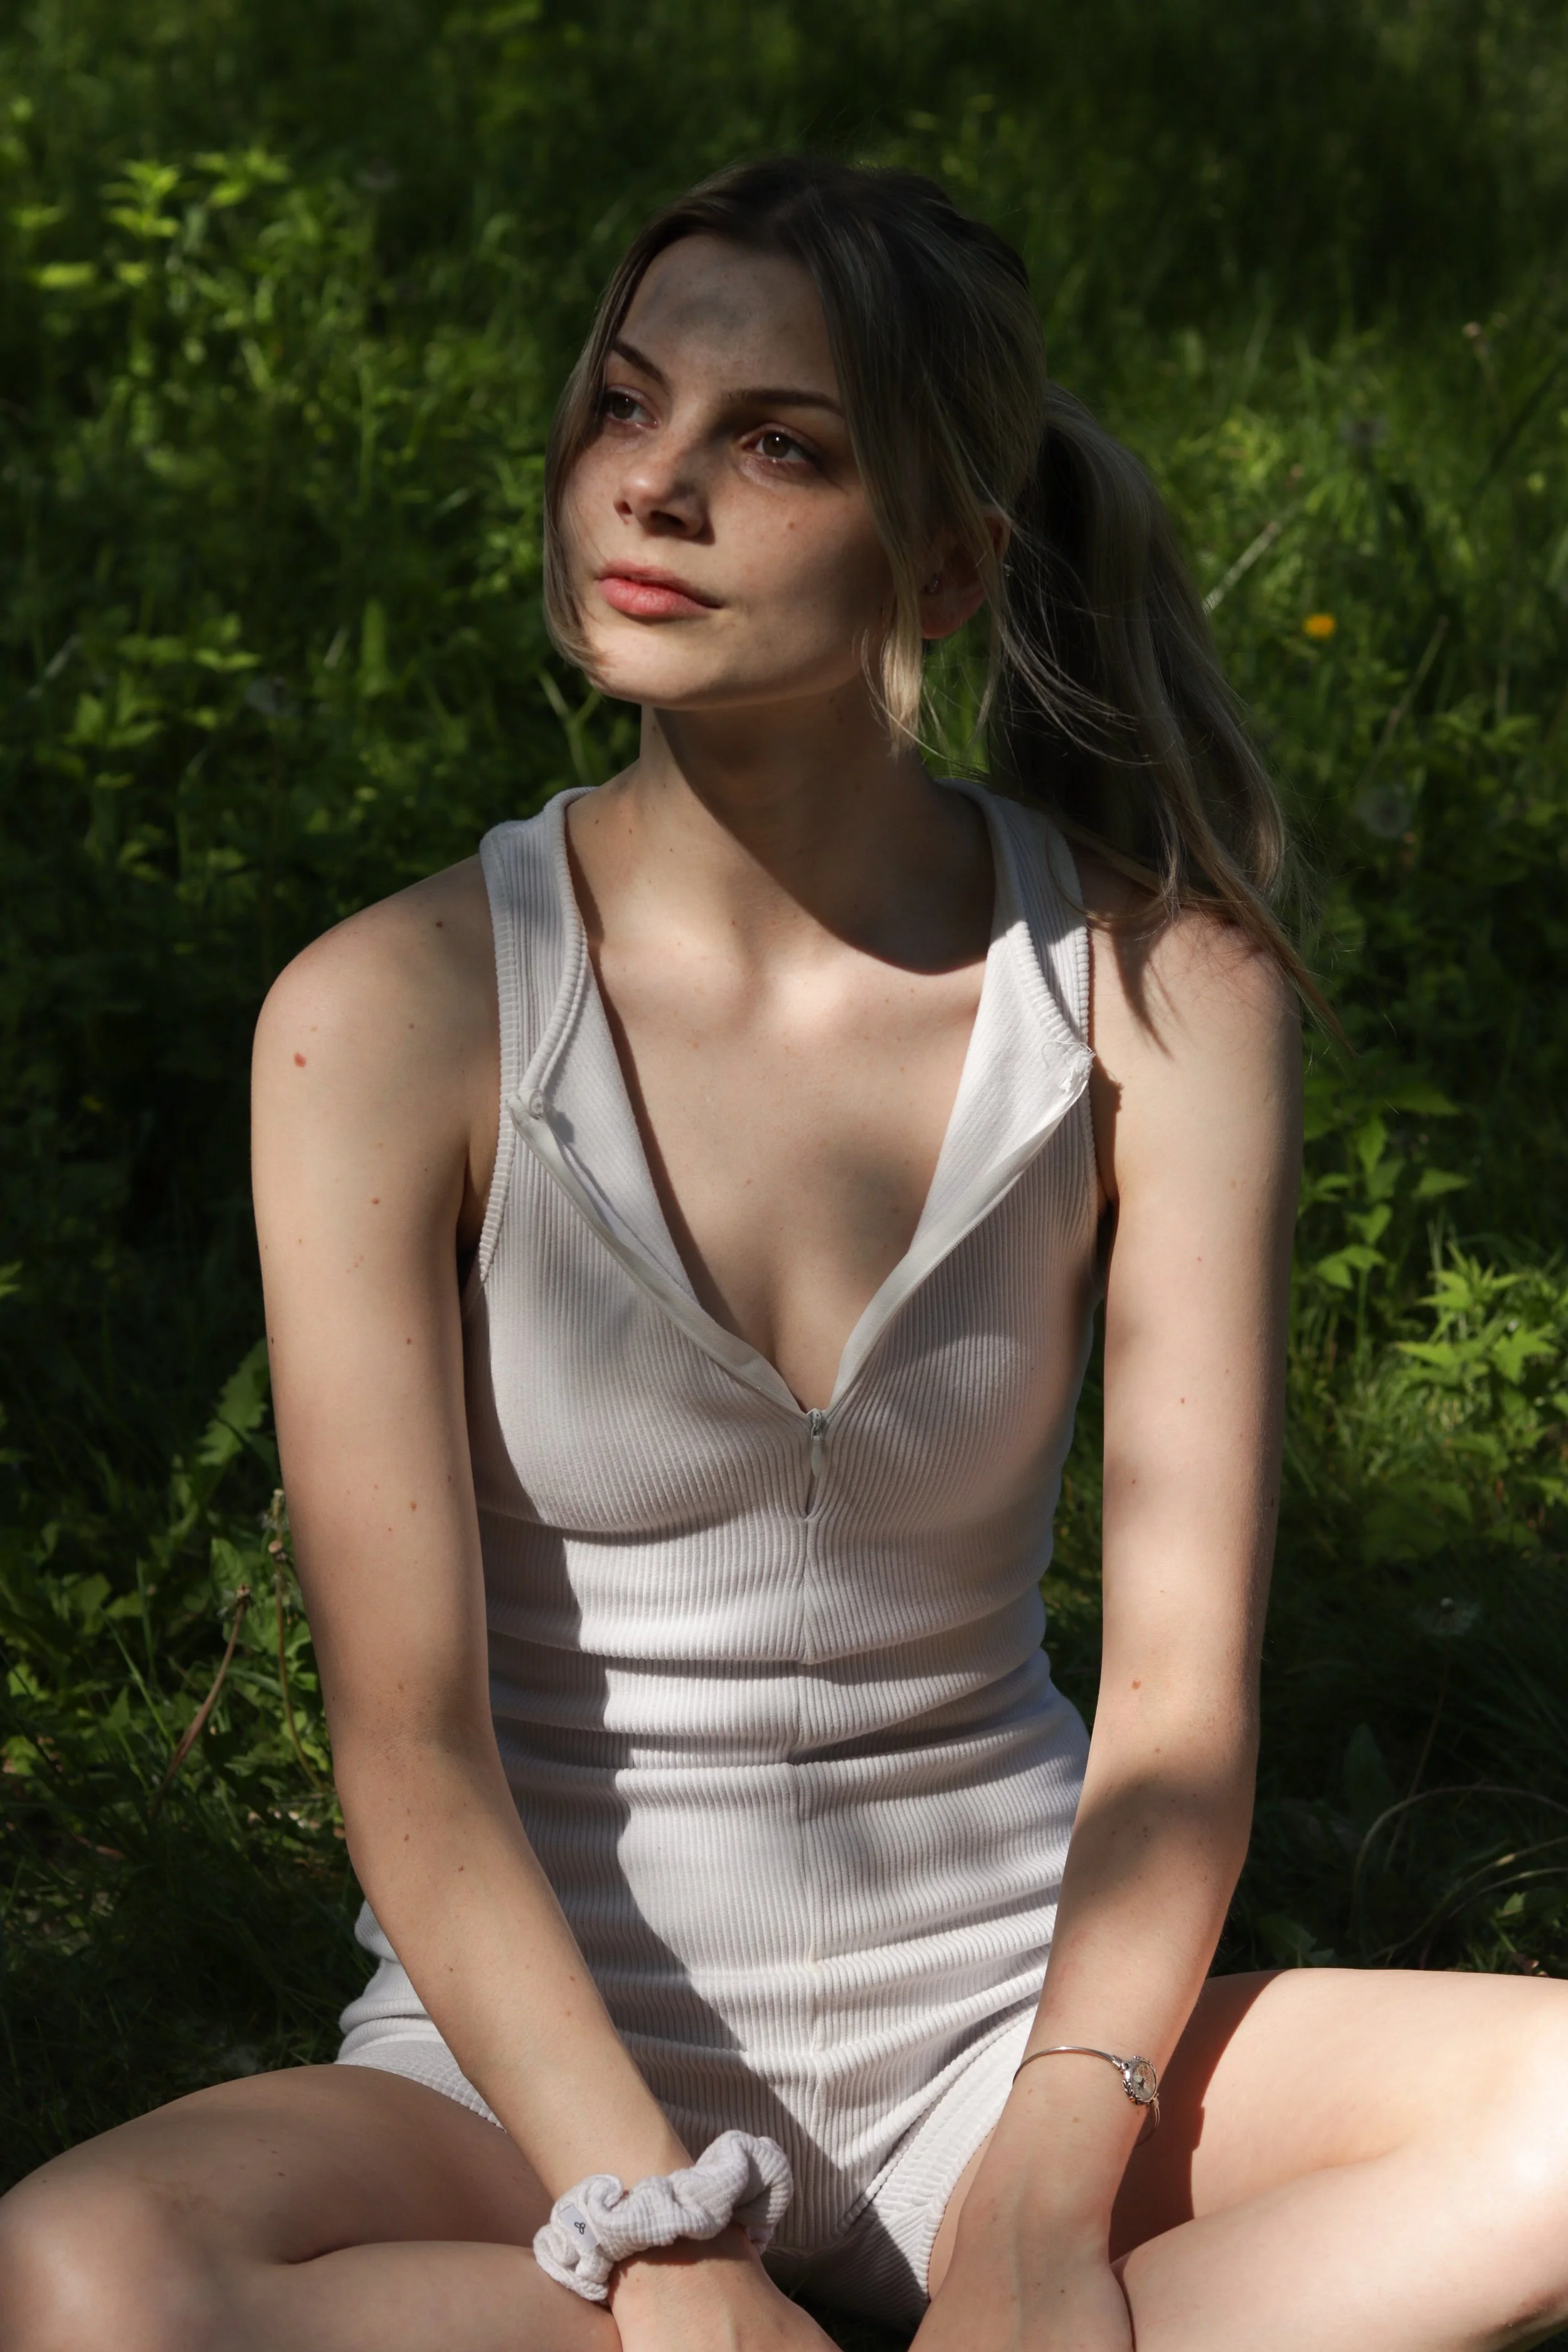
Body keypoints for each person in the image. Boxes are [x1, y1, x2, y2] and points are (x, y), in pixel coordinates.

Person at [3, 155, 1566, 2352]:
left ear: (942, 567)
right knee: (82, 2270)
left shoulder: (1155, 995)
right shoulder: (386, 1015)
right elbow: (412, 1747)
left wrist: (1041, 2192)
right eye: (622, 411)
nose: (649, 489)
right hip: (521, 2086)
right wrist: (660, 2234)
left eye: (774, 444)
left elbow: (1180, 1711)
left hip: (1011, 2041)